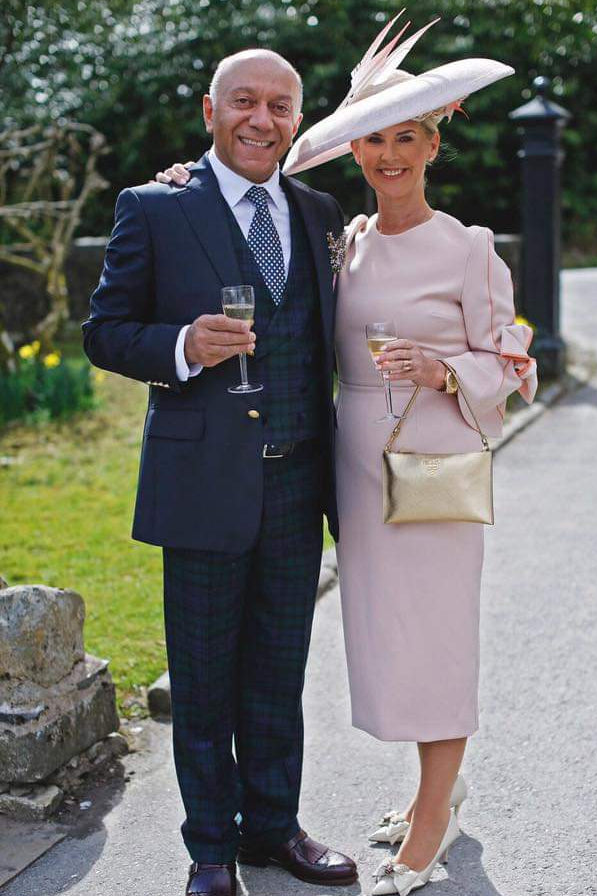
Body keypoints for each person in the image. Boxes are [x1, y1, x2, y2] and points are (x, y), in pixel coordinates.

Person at [157, 15, 537, 896]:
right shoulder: (346, 240)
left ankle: (436, 813)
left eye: (409, 137)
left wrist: (445, 368)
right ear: (356, 151)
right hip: (353, 471)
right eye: (375, 139)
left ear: (434, 145)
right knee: (390, 639)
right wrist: (185, 183)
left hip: (431, 465)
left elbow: (517, 359)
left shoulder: (469, 249)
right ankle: (430, 788)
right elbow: (237, 212)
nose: (390, 154)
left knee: (437, 634)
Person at [83, 49, 357, 896]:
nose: (261, 120)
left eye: (280, 106)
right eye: (244, 102)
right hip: (204, 485)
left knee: (279, 671)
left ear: (296, 121)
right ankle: (210, 851)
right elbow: (104, 331)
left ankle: (275, 828)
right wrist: (180, 347)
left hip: (298, 485)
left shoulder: (317, 212)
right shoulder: (156, 207)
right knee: (202, 680)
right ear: (211, 109)